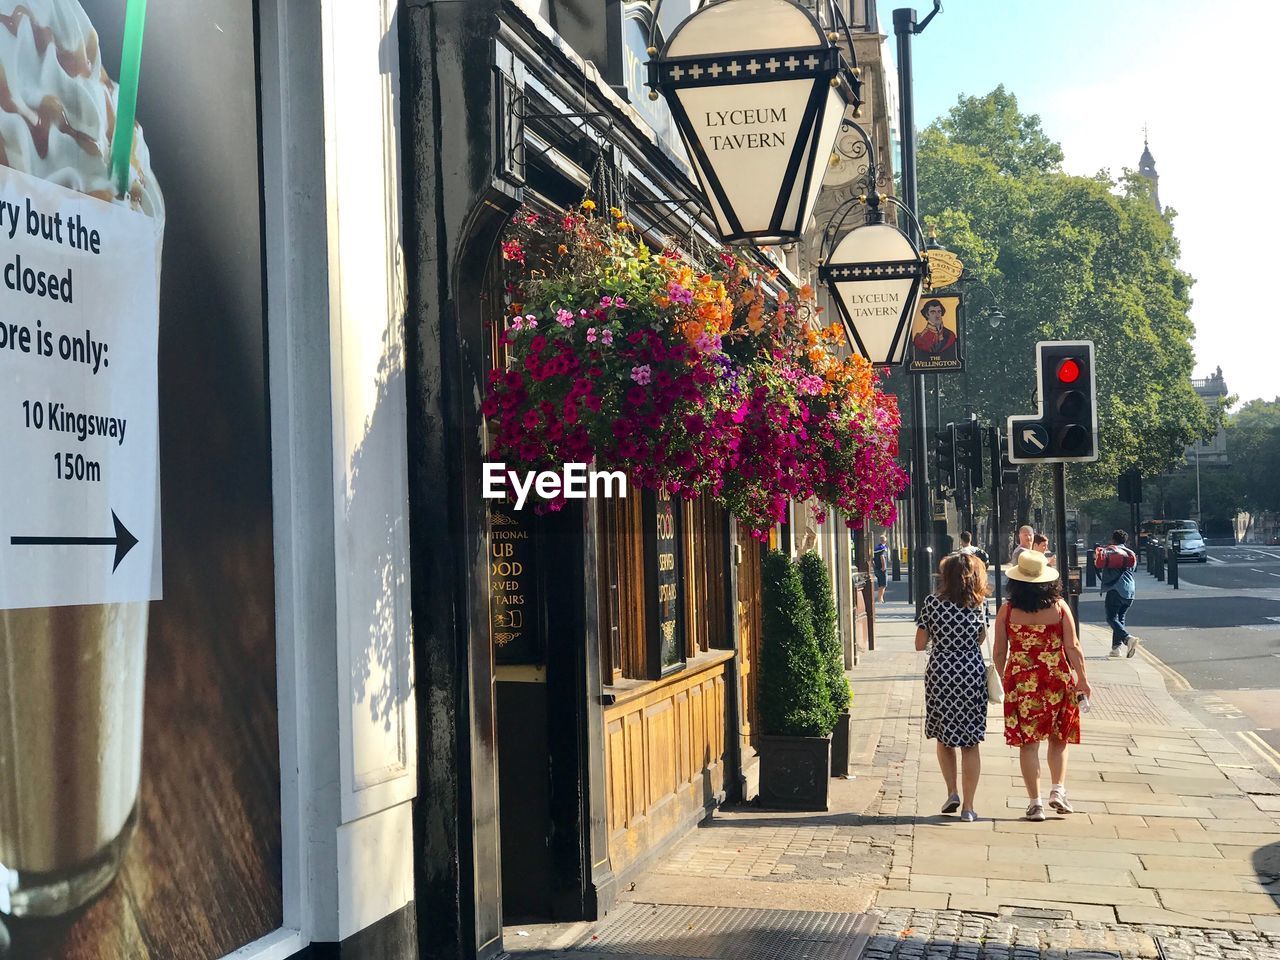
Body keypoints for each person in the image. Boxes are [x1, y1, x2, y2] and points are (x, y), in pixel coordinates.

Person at [993, 550, 1091, 822]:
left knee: (1029, 743)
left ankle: (1035, 803)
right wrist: (1082, 678)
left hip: (1021, 681)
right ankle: (1058, 790)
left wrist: (1000, 679)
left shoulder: (1008, 610)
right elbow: (1072, 646)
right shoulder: (1059, 607)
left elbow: (999, 651)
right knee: (1059, 738)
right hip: (1055, 678)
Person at [915, 552, 990, 823]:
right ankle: (969, 807)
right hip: (971, 670)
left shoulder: (932, 603)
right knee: (970, 742)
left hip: (941, 671)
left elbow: (919, 643)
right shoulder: (980, 604)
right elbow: (981, 637)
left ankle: (952, 792)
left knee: (944, 738)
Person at [1096, 529, 1140, 658]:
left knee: (1111, 618)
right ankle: (1116, 649)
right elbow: (1133, 569)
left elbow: (1099, 564)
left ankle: (1128, 639)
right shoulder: (1131, 553)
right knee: (1120, 618)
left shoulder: (1110, 552)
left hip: (1115, 589)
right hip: (1130, 590)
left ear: (1113, 540)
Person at [873, 534, 889, 603]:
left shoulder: (876, 548)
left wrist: (874, 567)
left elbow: (872, 559)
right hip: (882, 569)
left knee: (880, 584)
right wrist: (884, 567)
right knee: (883, 585)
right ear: (885, 541)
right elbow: (882, 557)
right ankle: (880, 599)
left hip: (877, 568)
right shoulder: (883, 548)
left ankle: (881, 598)